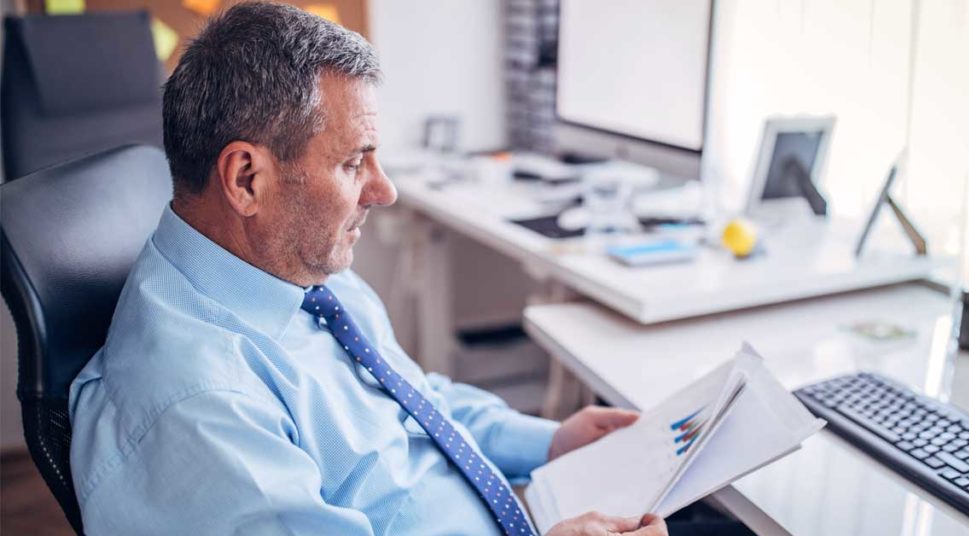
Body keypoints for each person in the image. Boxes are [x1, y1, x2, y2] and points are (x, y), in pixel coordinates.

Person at [68, 3, 667, 534]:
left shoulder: (293, 270)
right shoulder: (199, 408)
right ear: (247, 178)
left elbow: (412, 403)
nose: (385, 191)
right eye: (356, 162)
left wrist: (552, 441)